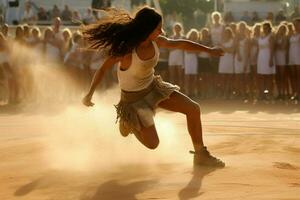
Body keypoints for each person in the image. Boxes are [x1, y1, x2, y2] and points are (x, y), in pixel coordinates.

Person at [82, 7, 225, 167]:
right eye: (158, 28)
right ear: (147, 28)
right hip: (134, 101)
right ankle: (128, 121)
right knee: (153, 144)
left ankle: (200, 154)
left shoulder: (157, 41)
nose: (162, 31)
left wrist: (209, 50)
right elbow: (102, 69)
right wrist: (89, 93)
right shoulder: (126, 51)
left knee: (193, 109)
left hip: (154, 88)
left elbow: (180, 44)